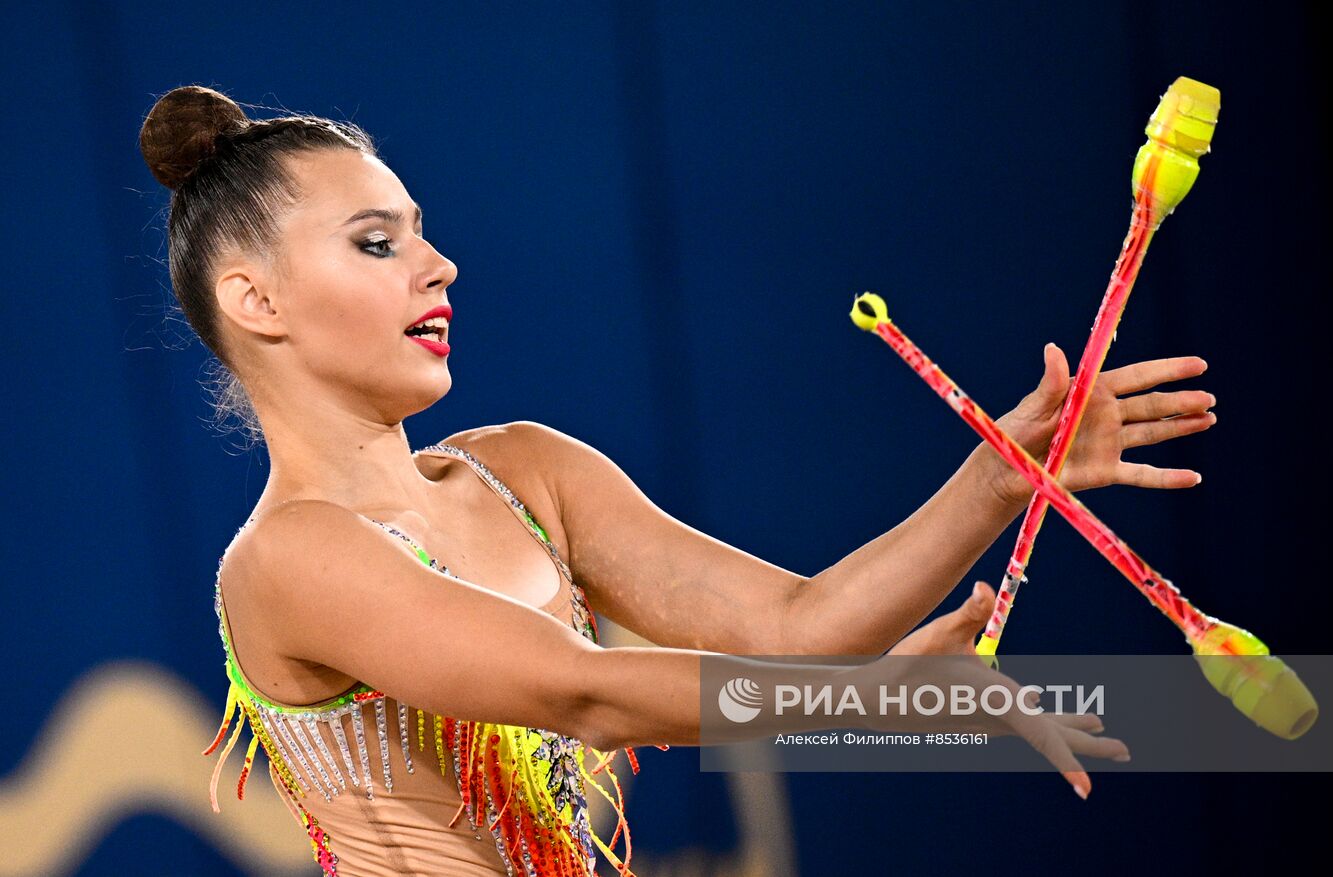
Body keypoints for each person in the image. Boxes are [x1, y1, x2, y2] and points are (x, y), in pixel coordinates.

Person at [139, 84, 1214, 876]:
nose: (439, 265)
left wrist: (998, 478)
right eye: (377, 243)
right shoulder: (292, 555)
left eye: (423, 235)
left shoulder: (522, 471)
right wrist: (884, 698)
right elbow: (587, 691)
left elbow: (798, 627)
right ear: (256, 301)